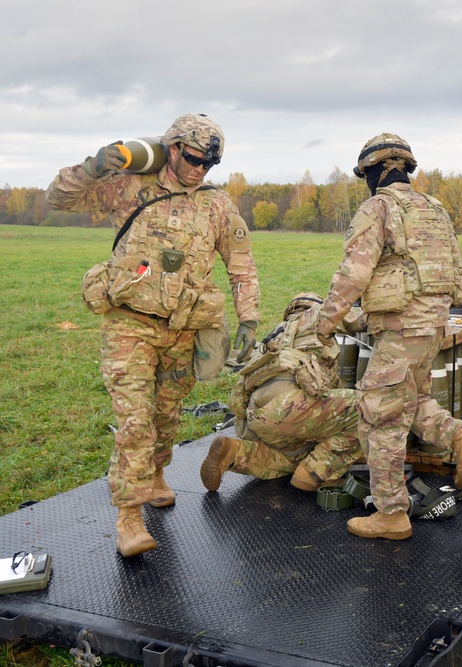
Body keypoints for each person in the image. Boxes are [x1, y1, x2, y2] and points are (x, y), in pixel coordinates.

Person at [45, 114, 261, 557]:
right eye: (195, 159)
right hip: (130, 322)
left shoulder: (217, 206)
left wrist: (249, 320)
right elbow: (57, 198)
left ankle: (158, 472)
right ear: (174, 148)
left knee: (166, 416)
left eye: (210, 164)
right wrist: (93, 166)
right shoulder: (128, 185)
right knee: (135, 422)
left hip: (185, 329)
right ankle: (129, 517)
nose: (201, 170)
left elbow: (242, 268)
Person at [312, 132, 462, 541]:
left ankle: (391, 514)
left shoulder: (378, 207)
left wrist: (325, 324)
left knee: (381, 415)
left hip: (401, 326)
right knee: (415, 400)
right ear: (406, 168)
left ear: (374, 171)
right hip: (434, 323)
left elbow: (353, 274)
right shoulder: (435, 208)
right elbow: (458, 268)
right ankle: (461, 441)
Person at [200, 293, 364, 494]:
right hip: (289, 408)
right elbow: (362, 319)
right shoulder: (319, 316)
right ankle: (315, 474)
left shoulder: (273, 336)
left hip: (253, 419)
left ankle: (235, 452)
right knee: (368, 408)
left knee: (294, 456)